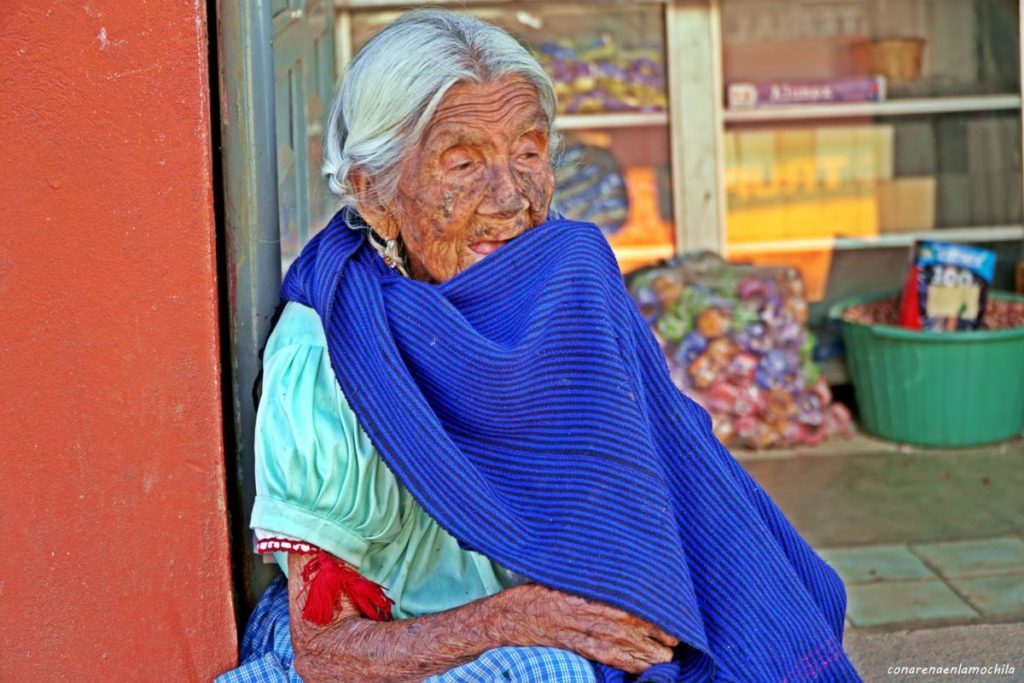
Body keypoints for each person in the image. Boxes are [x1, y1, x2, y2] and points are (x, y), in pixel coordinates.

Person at [219, 9, 859, 683]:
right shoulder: (331, 347)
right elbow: (326, 648)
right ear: (372, 194)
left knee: (771, 608)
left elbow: (670, 479)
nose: (509, 196)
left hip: (540, 613)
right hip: (385, 638)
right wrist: (515, 616)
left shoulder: (568, 275)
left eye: (528, 152)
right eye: (463, 161)